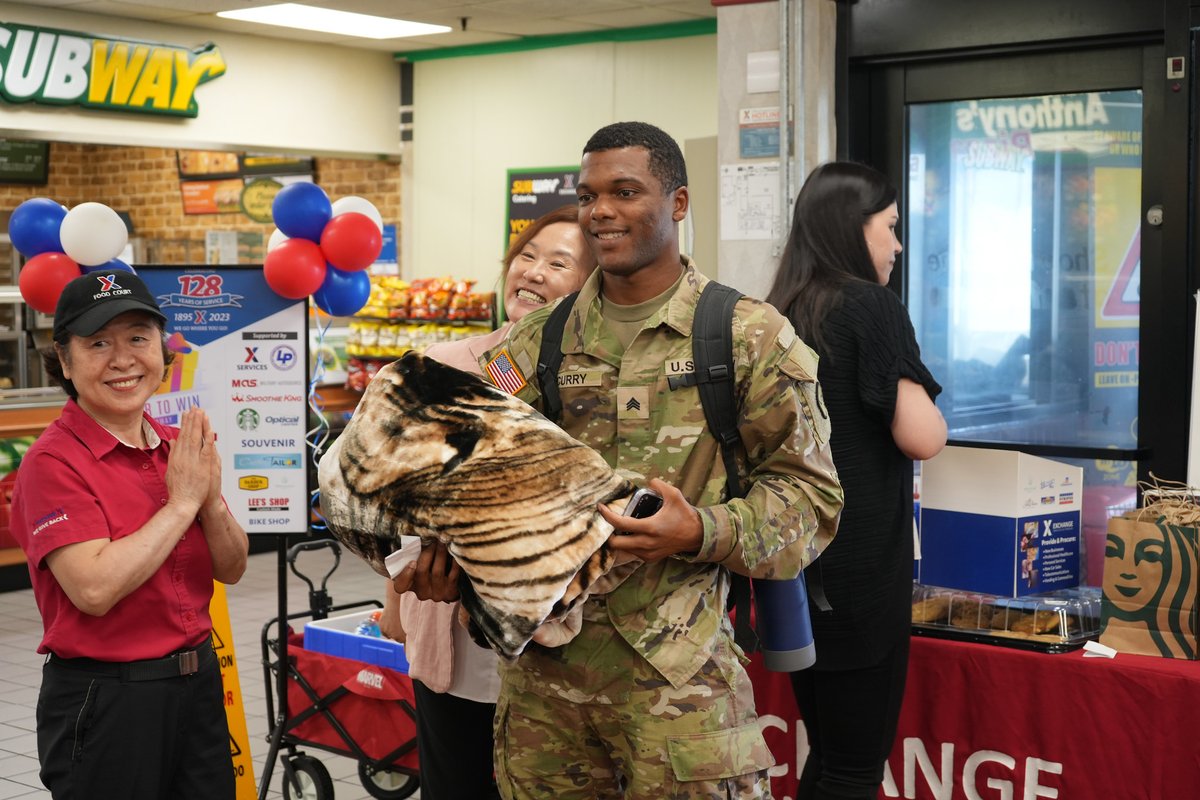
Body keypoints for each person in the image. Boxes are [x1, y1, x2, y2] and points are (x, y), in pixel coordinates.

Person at [393, 120, 842, 798]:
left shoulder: (745, 337)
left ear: (679, 204)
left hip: (679, 693)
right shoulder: (535, 343)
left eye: (626, 191)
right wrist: (446, 558)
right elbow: (477, 474)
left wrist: (702, 531)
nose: (601, 210)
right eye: (589, 194)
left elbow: (812, 500)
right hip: (544, 701)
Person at [378, 204, 598, 800]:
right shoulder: (446, 365)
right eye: (526, 256)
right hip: (451, 632)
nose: (533, 272)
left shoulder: (599, 378)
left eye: (558, 263)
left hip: (559, 651)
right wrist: (398, 584)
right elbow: (392, 494)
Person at [10, 271, 249, 800]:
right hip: (107, 701)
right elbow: (92, 590)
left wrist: (208, 500)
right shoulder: (52, 463)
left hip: (199, 686)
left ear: (162, 354)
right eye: (99, 343)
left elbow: (232, 566)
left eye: (138, 338)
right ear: (66, 361)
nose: (123, 360)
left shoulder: (175, 444)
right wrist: (184, 501)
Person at [765, 161, 947, 800]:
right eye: (891, 227)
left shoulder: (775, 309)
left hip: (792, 569)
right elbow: (923, 436)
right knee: (853, 768)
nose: (898, 245)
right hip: (859, 574)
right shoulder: (869, 305)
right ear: (851, 227)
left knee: (830, 752)